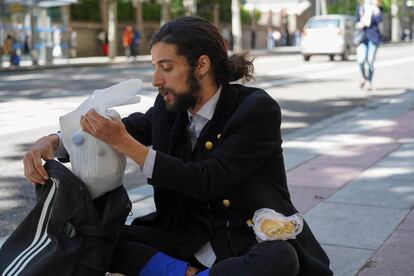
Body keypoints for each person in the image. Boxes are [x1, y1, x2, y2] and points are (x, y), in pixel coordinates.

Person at [23, 16, 332, 276]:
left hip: (241, 237)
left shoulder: (256, 110)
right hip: (184, 236)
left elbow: (207, 179)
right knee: (96, 237)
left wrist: (126, 144)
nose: (157, 80)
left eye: (166, 67)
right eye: (155, 67)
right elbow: (124, 129)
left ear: (201, 65)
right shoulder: (168, 107)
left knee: (279, 259)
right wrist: (53, 141)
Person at [355, 0, 384, 91]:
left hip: (373, 38)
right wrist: (360, 24)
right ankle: (364, 77)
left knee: (370, 61)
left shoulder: (377, 9)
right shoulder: (361, 8)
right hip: (362, 38)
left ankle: (369, 82)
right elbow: (355, 21)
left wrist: (376, 10)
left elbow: (379, 20)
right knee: (361, 60)